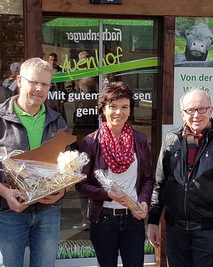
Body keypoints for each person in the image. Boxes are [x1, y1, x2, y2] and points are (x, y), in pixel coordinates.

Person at [0, 58, 67, 267]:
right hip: (9, 212)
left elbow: (65, 168)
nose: (39, 89)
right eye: (34, 82)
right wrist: (6, 193)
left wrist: (62, 190)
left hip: (48, 213)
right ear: (19, 81)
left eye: (45, 84)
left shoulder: (57, 121)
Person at [147, 87, 213, 267]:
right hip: (176, 228)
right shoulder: (171, 140)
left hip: (209, 230)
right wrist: (153, 220)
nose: (196, 115)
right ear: (182, 114)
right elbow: (159, 184)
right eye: (190, 110)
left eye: (202, 109)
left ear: (211, 110)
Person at [75, 82, 155, 267]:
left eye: (124, 107)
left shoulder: (140, 139)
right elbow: (80, 184)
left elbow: (148, 179)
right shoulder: (91, 142)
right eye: (113, 107)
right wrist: (107, 194)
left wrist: (143, 201)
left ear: (130, 110)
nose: (119, 112)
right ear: (103, 109)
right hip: (103, 219)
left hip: (133, 218)